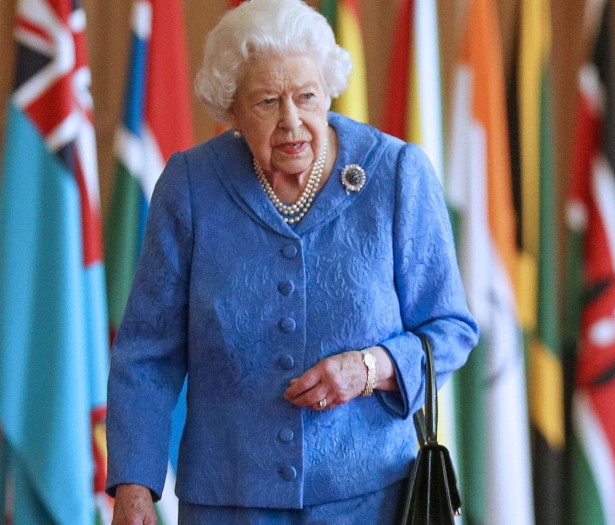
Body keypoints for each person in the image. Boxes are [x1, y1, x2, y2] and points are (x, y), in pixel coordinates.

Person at [106, 0, 477, 523]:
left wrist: (370, 368)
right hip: (226, 503)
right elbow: (147, 352)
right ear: (230, 109)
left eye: (306, 96)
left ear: (328, 91)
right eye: (265, 102)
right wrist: (135, 484)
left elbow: (450, 329)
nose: (291, 121)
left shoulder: (396, 175)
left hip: (370, 501)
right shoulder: (191, 186)